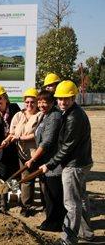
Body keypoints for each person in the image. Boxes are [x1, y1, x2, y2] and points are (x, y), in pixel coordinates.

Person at [40, 80, 94, 244]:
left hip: (74, 165)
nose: (62, 102)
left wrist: (49, 164)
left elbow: (67, 147)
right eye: (60, 99)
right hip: (81, 161)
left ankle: (68, 239)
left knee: (71, 203)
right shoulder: (72, 112)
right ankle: (87, 233)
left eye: (66, 99)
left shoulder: (73, 117)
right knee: (80, 199)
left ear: (73, 97)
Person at [25, 90, 65, 232]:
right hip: (45, 161)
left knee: (54, 195)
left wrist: (33, 159)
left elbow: (47, 142)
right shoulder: (45, 115)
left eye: (45, 102)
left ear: (52, 102)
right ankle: (51, 220)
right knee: (48, 194)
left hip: (53, 163)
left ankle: (55, 223)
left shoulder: (54, 117)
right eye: (40, 102)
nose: (41, 105)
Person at [1, 88, 42, 217]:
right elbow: (12, 133)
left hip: (35, 153)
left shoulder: (40, 115)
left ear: (37, 103)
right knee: (24, 179)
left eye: (32, 102)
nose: (29, 105)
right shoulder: (19, 115)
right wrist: (5, 141)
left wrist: (19, 138)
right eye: (27, 102)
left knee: (32, 180)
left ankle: (31, 205)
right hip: (21, 153)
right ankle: (25, 204)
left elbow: (36, 135)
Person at [0, 85, 20, 212]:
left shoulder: (14, 108)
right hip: (1, 150)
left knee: (14, 174)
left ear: (5, 98)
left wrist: (12, 137)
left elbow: (19, 124)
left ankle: (13, 198)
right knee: (3, 176)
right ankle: (3, 201)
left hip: (14, 148)